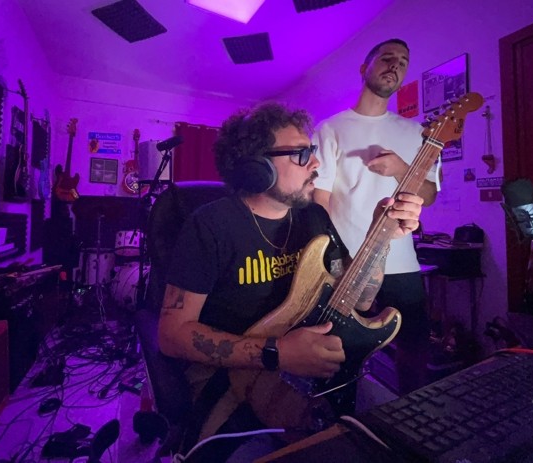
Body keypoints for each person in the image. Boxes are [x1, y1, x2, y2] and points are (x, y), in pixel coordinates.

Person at [158, 101, 424, 461]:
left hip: (314, 375)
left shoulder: (313, 217)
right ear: (257, 167)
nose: (316, 163)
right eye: (301, 154)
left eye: (311, 151)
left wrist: (381, 235)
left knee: (400, 436)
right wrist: (278, 353)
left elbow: (359, 301)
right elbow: (171, 335)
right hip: (233, 379)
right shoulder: (211, 226)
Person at [312, 38, 438, 394]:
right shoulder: (330, 128)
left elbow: (429, 194)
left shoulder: (417, 133)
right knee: (340, 351)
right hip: (347, 263)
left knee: (414, 347)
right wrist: (330, 258)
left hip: (401, 260)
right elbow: (319, 200)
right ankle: (339, 418)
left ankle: (411, 414)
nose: (395, 65)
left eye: (403, 61)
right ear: (364, 67)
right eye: (387, 58)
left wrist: (400, 168)